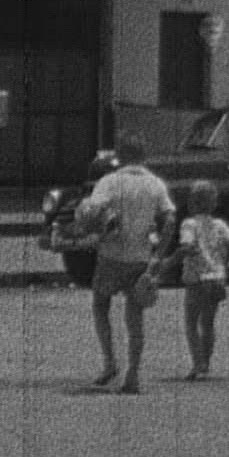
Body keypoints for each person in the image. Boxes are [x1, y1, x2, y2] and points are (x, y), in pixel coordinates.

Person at [72, 135, 176, 394]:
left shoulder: (109, 181)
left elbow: (92, 211)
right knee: (135, 316)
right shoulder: (155, 184)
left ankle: (109, 362)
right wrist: (158, 255)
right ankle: (133, 374)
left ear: (120, 156)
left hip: (111, 255)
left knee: (101, 305)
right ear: (144, 156)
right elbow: (169, 220)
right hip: (140, 258)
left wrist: (84, 225)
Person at [165, 180, 229, 381]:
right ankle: (206, 362)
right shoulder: (220, 225)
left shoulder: (189, 224)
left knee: (191, 322)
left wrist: (169, 262)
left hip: (196, 279)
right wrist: (224, 261)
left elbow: (187, 246)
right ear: (214, 204)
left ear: (191, 203)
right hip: (217, 277)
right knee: (208, 323)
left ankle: (197, 363)